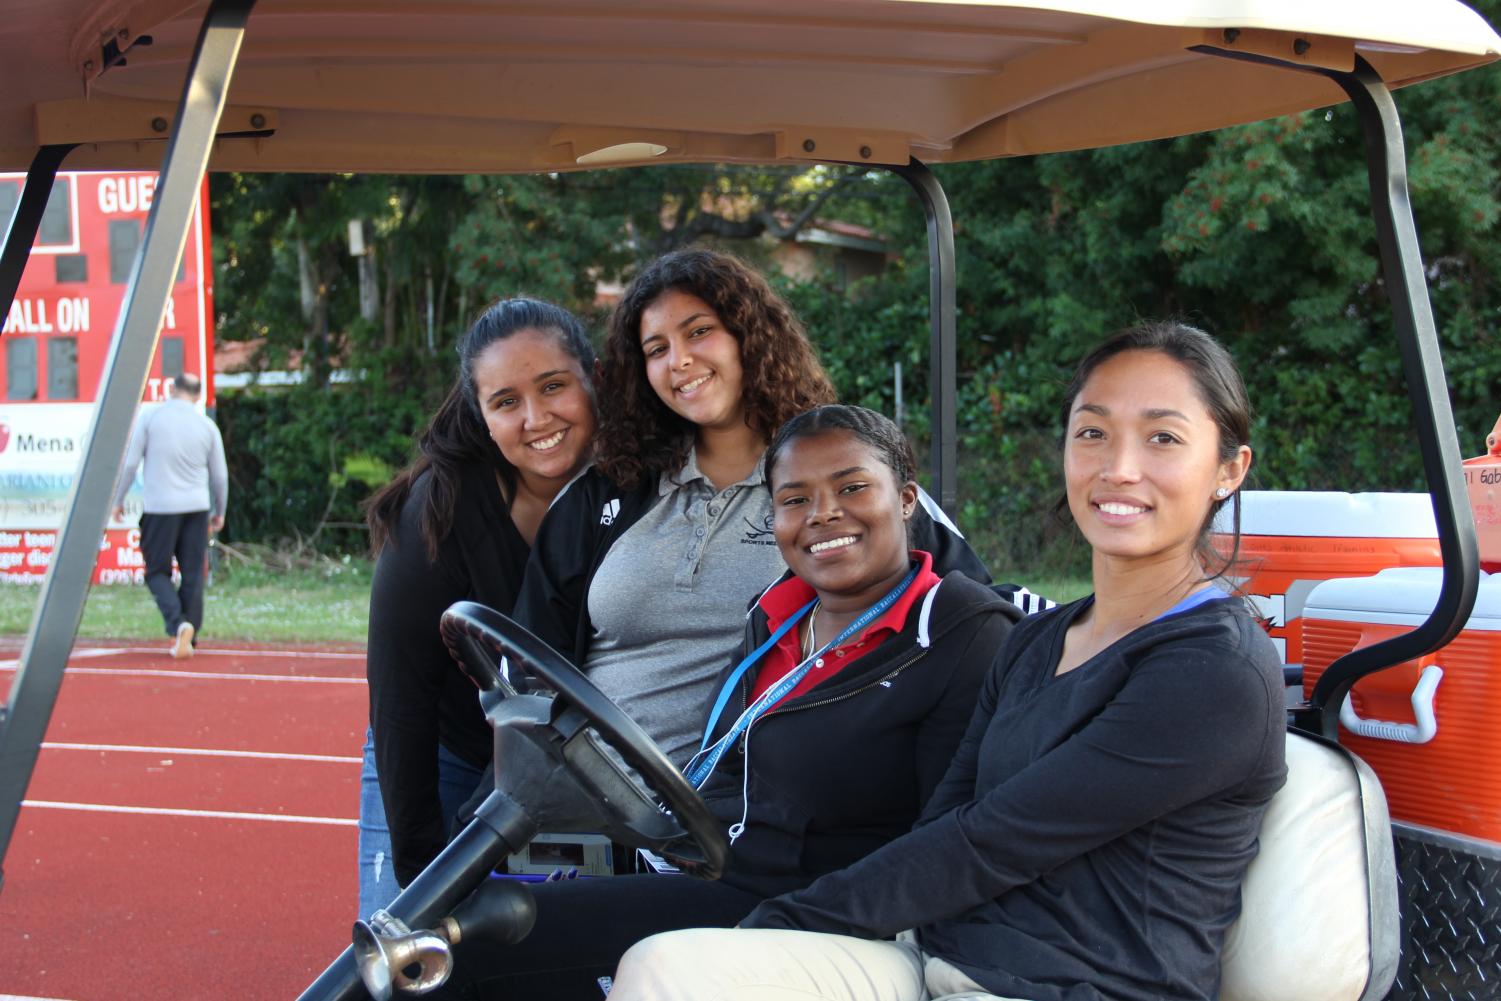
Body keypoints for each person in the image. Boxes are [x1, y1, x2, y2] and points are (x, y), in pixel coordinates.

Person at [610, 321, 1289, 1001]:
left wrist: (780, 920)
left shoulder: (1212, 670)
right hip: (931, 959)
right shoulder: (1036, 640)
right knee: (665, 969)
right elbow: (941, 822)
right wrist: (763, 934)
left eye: (1162, 437)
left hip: (1069, 986)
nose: (1118, 467)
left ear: (1228, 469)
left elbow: (990, 841)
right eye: (1092, 432)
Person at [445, 404, 1015, 999]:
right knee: (460, 930)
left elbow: (946, 838)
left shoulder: (960, 630)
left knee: (477, 951)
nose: (823, 514)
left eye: (852, 488)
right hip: (714, 872)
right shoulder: (777, 613)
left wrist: (780, 920)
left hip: (817, 916)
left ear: (905, 499)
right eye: (794, 499)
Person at [513, 248, 990, 775]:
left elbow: (975, 610)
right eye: (656, 349)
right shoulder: (607, 490)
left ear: (748, 334)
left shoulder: (844, 481)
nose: (679, 361)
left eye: (699, 332)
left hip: (744, 811)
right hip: (584, 808)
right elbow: (529, 659)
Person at [358, 298, 597, 918]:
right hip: (449, 750)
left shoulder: (639, 483)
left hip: (586, 757)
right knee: (412, 951)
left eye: (553, 386)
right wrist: (420, 889)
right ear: (481, 413)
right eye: (506, 401)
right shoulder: (437, 514)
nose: (536, 417)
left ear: (592, 377)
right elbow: (400, 700)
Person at [111, 372, 228, 659]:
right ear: (198, 395)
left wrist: (118, 500)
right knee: (192, 573)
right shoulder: (206, 425)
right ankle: (190, 635)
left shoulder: (152, 418)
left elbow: (130, 464)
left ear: (172, 390)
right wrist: (220, 512)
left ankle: (178, 624)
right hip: (197, 507)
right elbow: (220, 476)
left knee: (156, 571)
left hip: (160, 508)